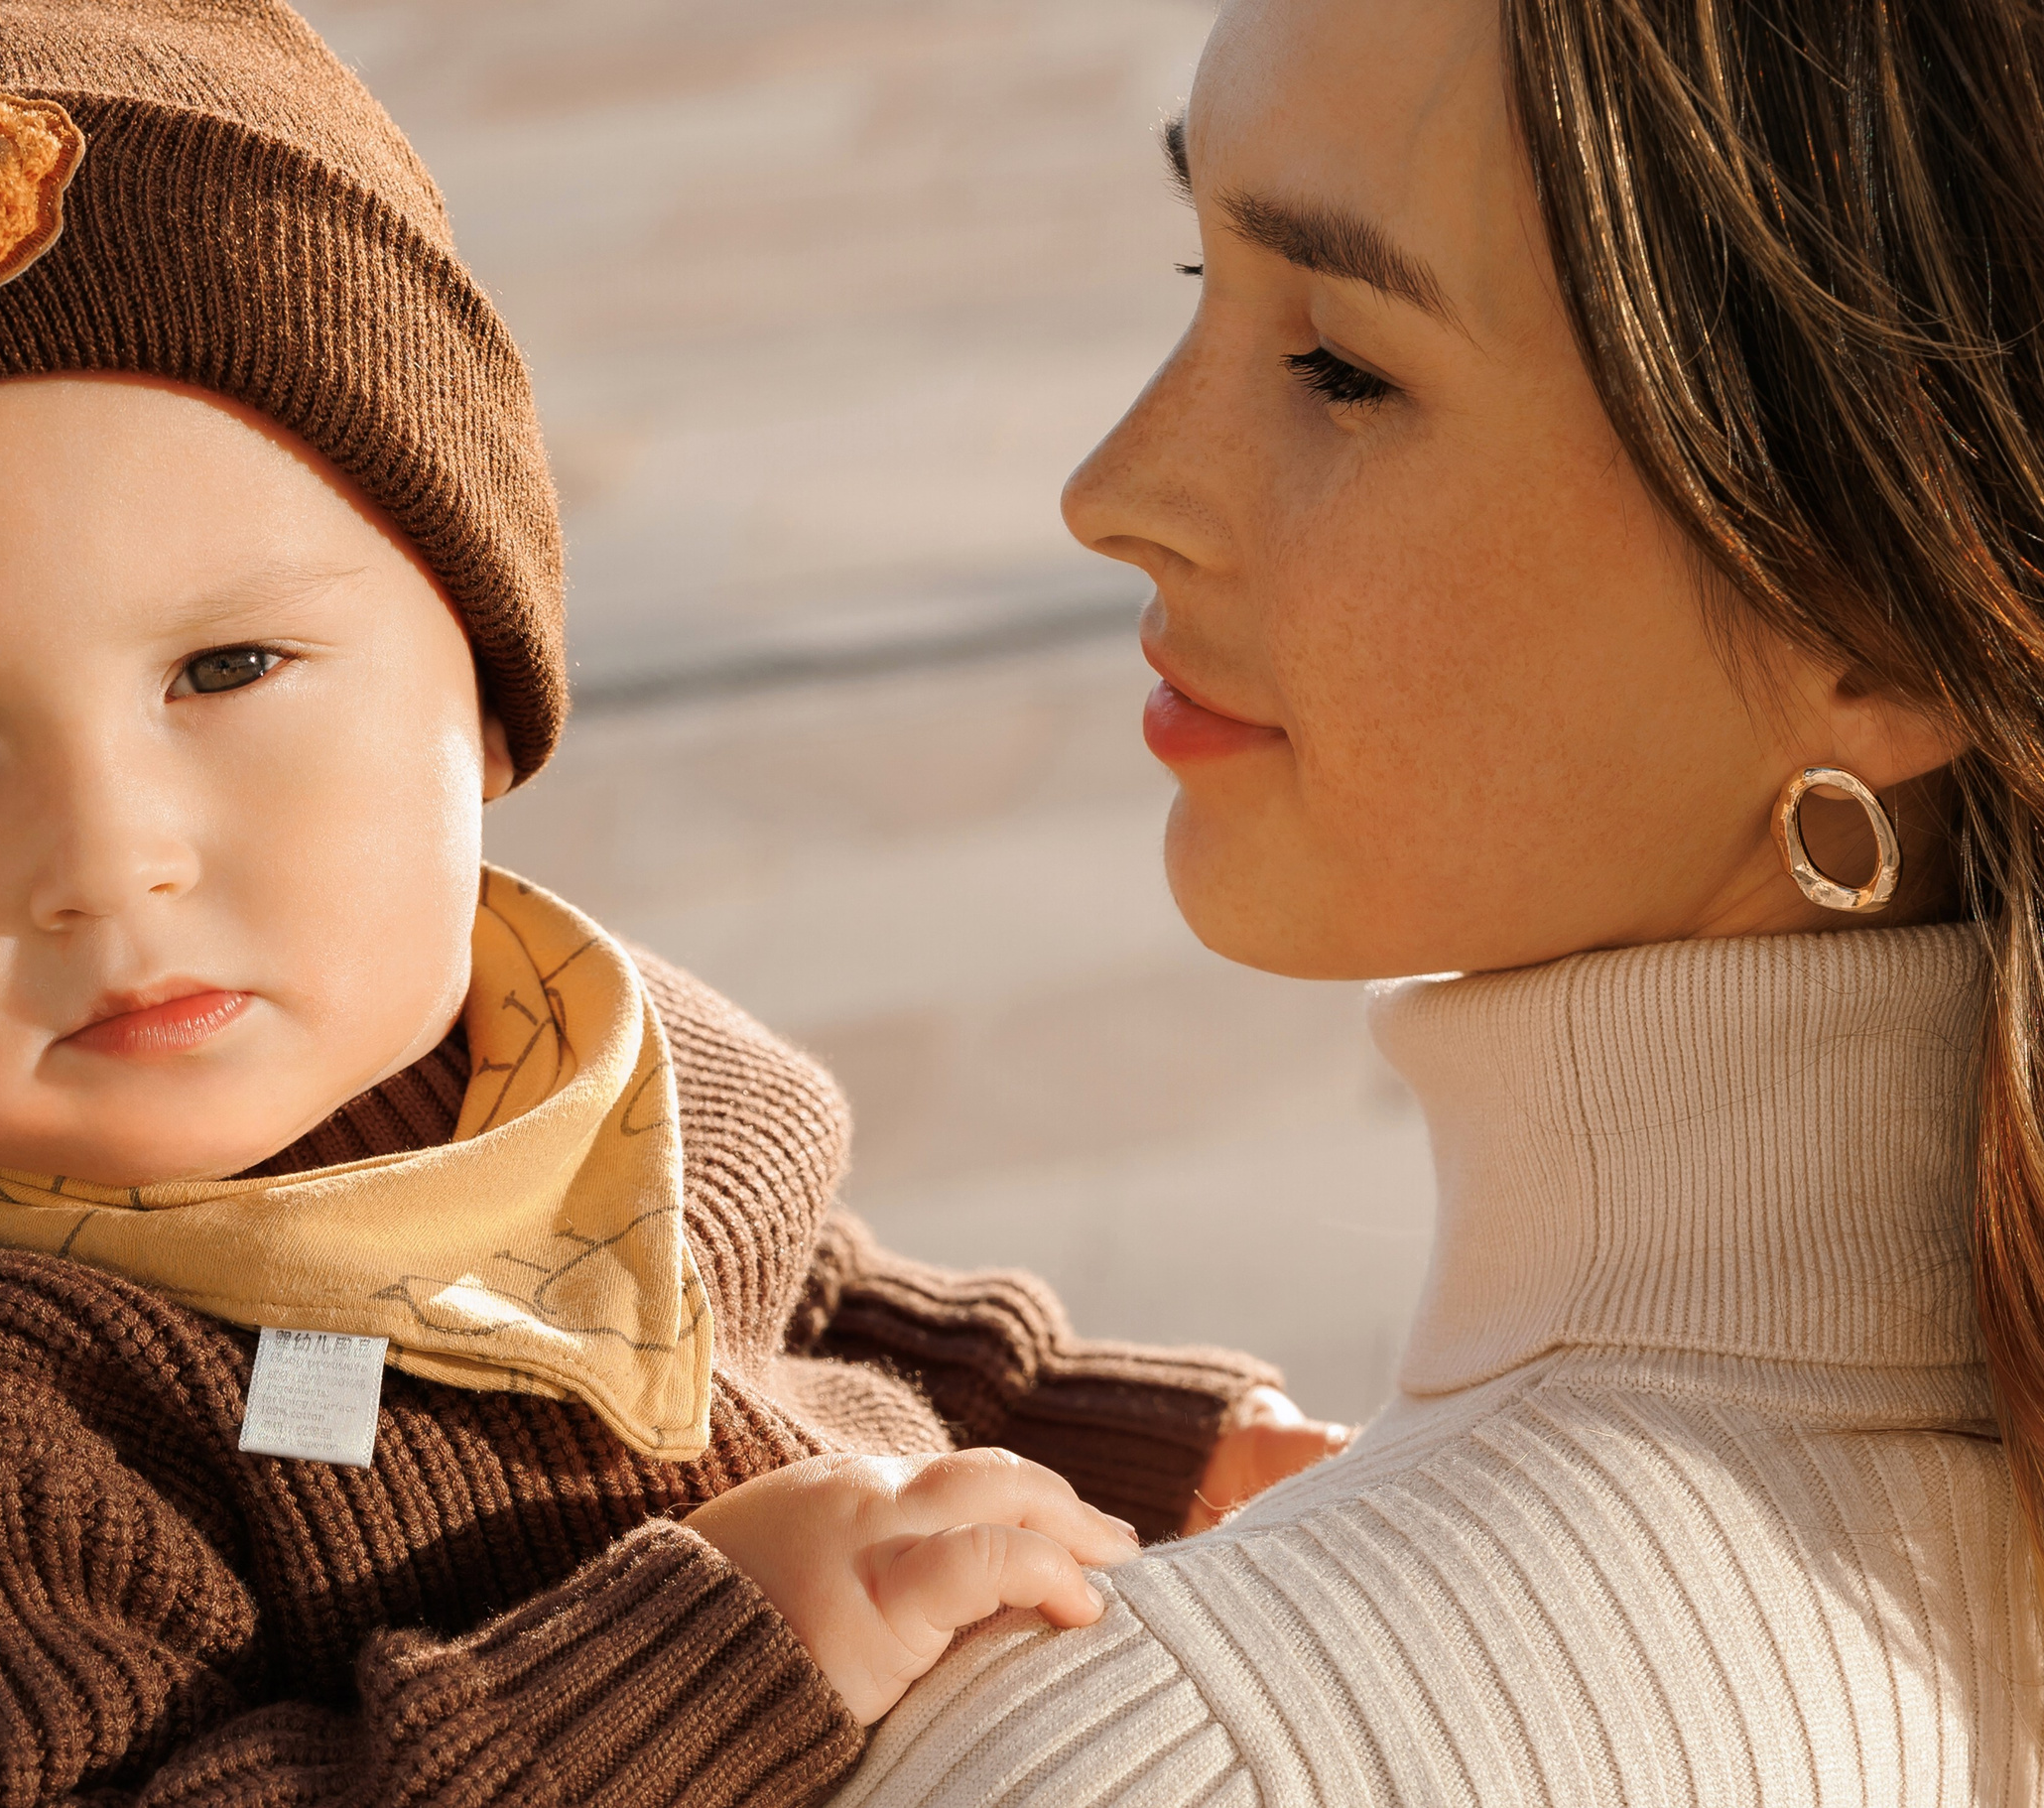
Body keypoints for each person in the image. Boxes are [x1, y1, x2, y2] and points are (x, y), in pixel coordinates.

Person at [0, 4, 1353, 1803]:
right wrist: (718, 1655)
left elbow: (805, 1307)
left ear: (480, 701)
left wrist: (1149, 1441)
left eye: (226, 665)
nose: (107, 856)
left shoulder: (560, 1042)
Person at [835, 0, 2044, 1799]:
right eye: (1199, 268)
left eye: (1341, 365)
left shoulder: (1169, 1754)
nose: (1117, 492)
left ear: (1875, 620)